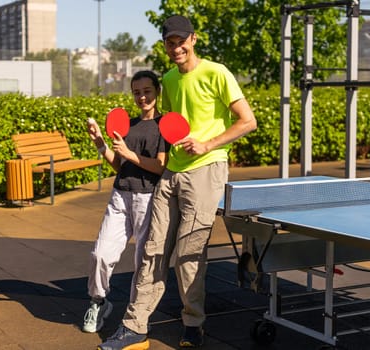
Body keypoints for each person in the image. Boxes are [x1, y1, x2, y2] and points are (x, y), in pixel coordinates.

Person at [98, 14, 257, 349]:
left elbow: (247, 121)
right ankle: (134, 325)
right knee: (152, 251)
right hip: (172, 173)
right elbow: (167, 131)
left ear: (193, 39)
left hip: (207, 168)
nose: (176, 47)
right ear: (165, 45)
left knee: (188, 253)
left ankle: (193, 324)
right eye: (170, 42)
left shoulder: (217, 72)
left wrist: (208, 143)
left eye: (181, 41)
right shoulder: (168, 80)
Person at [82, 70, 170, 334]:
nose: (142, 97)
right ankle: (98, 301)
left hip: (148, 198)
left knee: (143, 261)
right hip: (120, 195)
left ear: (157, 92)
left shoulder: (164, 126)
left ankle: (134, 315)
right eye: (136, 92)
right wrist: (100, 143)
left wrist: (130, 154)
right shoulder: (127, 125)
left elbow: (160, 167)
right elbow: (118, 164)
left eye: (147, 91)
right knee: (100, 254)